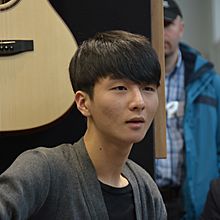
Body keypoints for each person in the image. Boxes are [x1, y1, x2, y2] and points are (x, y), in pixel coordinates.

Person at [0, 30, 166, 220]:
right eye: (120, 88)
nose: (139, 102)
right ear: (83, 102)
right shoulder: (44, 170)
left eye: (148, 89)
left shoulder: (146, 189)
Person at [155, 0, 220, 219]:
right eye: (157, 24)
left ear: (181, 28)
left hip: (192, 200)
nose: (162, 32)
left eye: (168, 24)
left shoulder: (210, 82)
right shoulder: (134, 82)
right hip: (147, 194)